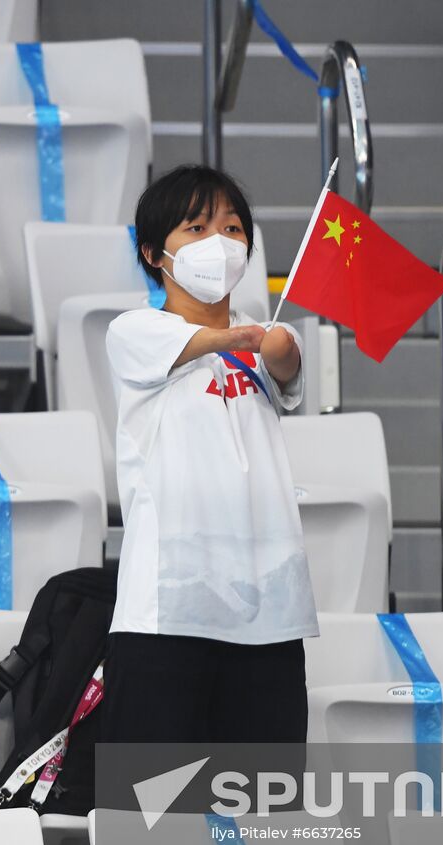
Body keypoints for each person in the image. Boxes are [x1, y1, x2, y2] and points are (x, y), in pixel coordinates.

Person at [102, 163, 317, 748]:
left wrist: (280, 345)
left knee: (263, 824)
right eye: (195, 229)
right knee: (151, 824)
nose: (218, 244)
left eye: (231, 229)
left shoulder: (266, 340)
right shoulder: (136, 332)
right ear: (153, 253)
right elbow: (209, 343)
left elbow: (288, 366)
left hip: (270, 620)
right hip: (166, 616)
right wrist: (251, 338)